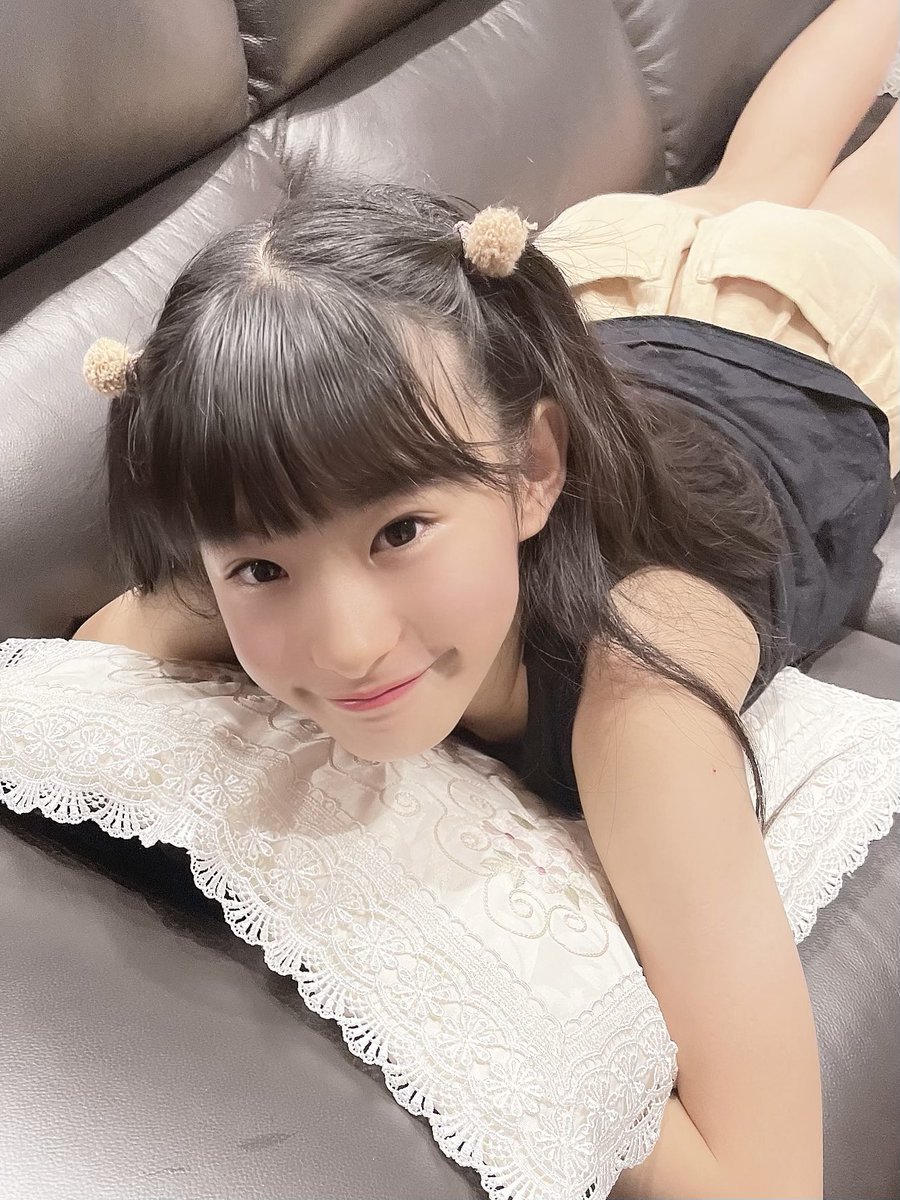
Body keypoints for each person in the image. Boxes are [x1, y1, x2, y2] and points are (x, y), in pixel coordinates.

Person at [75, 1, 898, 1194]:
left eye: (400, 533)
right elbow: (106, 646)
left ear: (533, 472)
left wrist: (522, 1029)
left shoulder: (638, 697)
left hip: (797, 335)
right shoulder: (293, 536)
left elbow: (767, 1183)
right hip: (605, 293)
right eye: (261, 566)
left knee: (851, 191)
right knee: (744, 179)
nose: (347, 644)